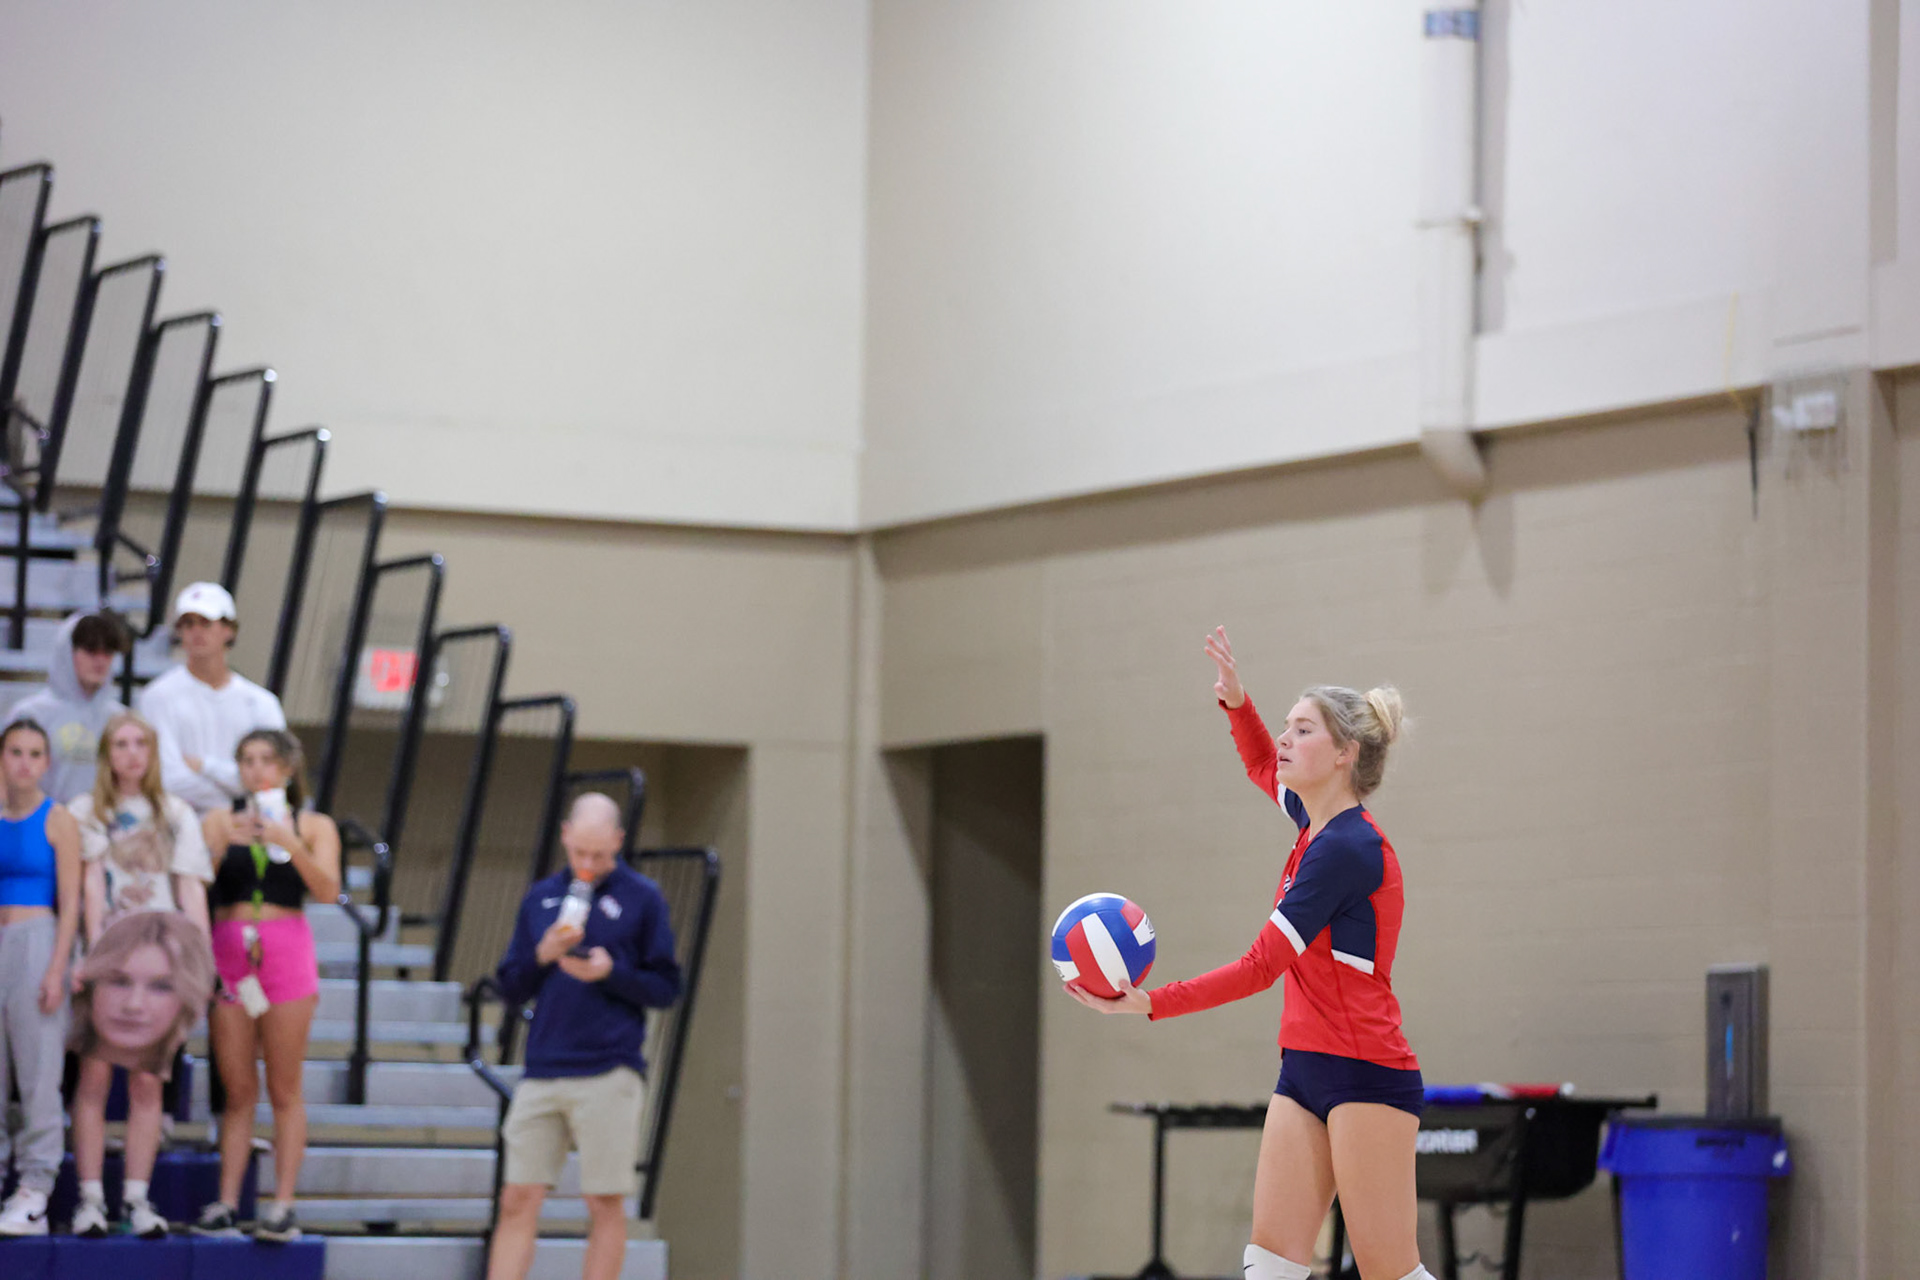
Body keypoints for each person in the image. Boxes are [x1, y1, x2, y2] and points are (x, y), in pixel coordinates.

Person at [1064, 627, 1434, 1280]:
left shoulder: (1346, 851)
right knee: (1270, 1265)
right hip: (1306, 1068)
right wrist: (1238, 704)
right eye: (1287, 726)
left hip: (1366, 1073)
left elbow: (1260, 968)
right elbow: (1263, 766)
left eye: (1303, 729)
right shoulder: (1312, 823)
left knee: (1389, 1274)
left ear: (1346, 753)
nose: (1287, 740)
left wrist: (1149, 1003)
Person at [489, 793, 682, 1280]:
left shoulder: (643, 898)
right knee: (517, 1196)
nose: (589, 864)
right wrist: (543, 953)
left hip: (609, 1066)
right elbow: (510, 986)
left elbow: (666, 987)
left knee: (603, 1200)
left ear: (618, 842)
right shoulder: (540, 899)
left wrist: (611, 973)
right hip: (544, 1066)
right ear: (565, 836)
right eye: (581, 853)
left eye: (600, 854)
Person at [68, 711, 217, 1238]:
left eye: (141, 745)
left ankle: (136, 1197)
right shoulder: (86, 811)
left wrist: (199, 964)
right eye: (121, 744)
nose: (131, 754)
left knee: (149, 1081)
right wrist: (94, 955)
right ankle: (89, 1198)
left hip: (162, 965)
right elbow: (87, 887)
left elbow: (191, 889)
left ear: (153, 754)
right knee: (94, 1075)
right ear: (107, 754)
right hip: (108, 959)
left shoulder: (176, 813)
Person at [191, 730, 338, 1243]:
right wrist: (218, 847)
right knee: (236, 1088)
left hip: (285, 953)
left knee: (284, 1086)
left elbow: (328, 889)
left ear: (288, 769)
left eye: (266, 761)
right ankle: (229, 1200)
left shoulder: (313, 824)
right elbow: (193, 883)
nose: (257, 770)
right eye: (247, 760)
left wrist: (290, 844)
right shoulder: (218, 819)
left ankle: (283, 1203)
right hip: (231, 952)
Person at [0, 720, 83, 1237]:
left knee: (37, 1072)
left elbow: (71, 902)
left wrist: (57, 967)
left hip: (37, 942)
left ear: (47, 763)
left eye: (35, 753)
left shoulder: (59, 820)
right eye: (14, 752)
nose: (25, 762)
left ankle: (35, 1187)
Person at [136, 582, 286, 816]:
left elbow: (274, 776)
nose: (196, 631)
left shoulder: (262, 703)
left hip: (249, 832)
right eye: (188, 624)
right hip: (178, 829)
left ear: (229, 630)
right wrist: (237, 796)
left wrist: (205, 766)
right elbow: (168, 777)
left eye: (206, 623)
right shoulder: (157, 696)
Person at [7, 610, 132, 803]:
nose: (100, 660)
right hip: (41, 825)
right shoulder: (30, 714)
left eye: (107, 652)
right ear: (67, 652)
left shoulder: (121, 719)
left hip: (102, 826)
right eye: (91, 650)